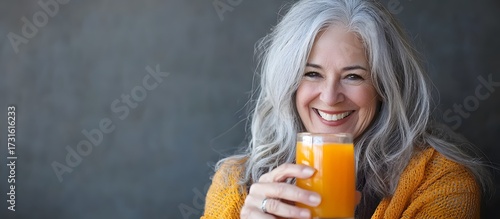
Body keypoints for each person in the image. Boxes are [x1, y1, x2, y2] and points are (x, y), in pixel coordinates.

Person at [201, 0, 492, 218]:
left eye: (353, 76)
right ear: (289, 82)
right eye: (312, 73)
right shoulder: (236, 184)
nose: (329, 97)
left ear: (384, 85)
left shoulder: (441, 183)